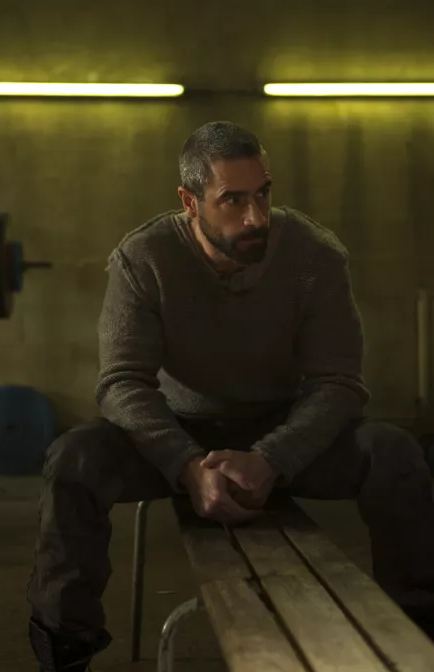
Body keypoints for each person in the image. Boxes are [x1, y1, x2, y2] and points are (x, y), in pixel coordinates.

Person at [27, 121, 434, 671]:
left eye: (263, 194)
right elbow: (122, 382)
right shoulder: (144, 258)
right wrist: (188, 466)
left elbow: (338, 382)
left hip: (281, 429)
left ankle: (419, 638)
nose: (255, 217)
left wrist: (272, 458)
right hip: (180, 432)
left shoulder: (314, 256)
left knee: (394, 453)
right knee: (74, 459)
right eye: (233, 200)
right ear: (189, 202)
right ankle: (65, 651)